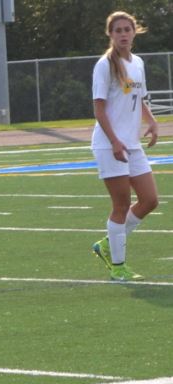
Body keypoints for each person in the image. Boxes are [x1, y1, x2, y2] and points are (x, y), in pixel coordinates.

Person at [90, 11, 159, 282]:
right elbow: (99, 108)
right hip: (110, 145)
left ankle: (107, 243)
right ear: (110, 34)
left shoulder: (138, 63)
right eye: (117, 30)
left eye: (126, 29)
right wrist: (115, 141)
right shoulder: (105, 65)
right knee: (121, 205)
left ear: (134, 32)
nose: (122, 34)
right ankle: (118, 266)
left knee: (150, 200)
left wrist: (151, 121)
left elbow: (138, 98)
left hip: (131, 144)